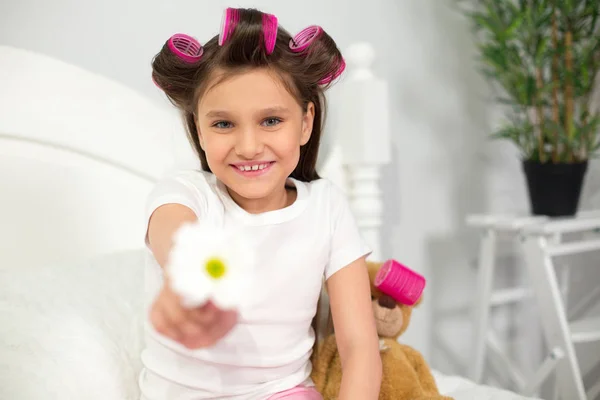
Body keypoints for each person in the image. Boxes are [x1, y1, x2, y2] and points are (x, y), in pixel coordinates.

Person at [140, 7, 381, 400]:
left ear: (305, 123)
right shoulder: (185, 195)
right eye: (223, 124)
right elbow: (178, 241)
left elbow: (359, 346)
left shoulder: (328, 207)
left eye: (271, 120)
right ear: (197, 129)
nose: (249, 146)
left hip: (284, 392)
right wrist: (189, 287)